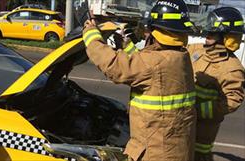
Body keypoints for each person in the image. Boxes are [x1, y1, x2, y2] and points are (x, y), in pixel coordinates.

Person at [82, 0, 196, 160]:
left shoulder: (155, 62)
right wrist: (127, 46)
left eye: (148, 29)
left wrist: (91, 35)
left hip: (155, 153)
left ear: (157, 30)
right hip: (175, 149)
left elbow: (114, 66)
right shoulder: (180, 57)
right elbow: (147, 68)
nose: (144, 32)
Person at [187, 7, 245, 161]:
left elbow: (232, 101)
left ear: (226, 37)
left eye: (212, 32)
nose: (207, 35)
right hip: (183, 126)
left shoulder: (232, 69)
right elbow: (167, 58)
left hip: (202, 135)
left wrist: (197, 110)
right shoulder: (195, 51)